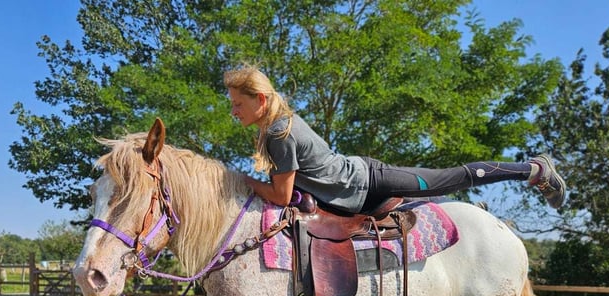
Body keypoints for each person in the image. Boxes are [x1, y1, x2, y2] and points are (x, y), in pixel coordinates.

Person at [223, 65, 565, 214]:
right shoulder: (275, 128)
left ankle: (533, 170)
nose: (234, 112)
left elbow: (282, 196)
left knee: (448, 178)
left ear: (260, 100)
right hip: (353, 188)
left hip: (367, 182)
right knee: (429, 194)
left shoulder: (280, 134)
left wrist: (243, 181)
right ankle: (465, 212)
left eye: (239, 104)